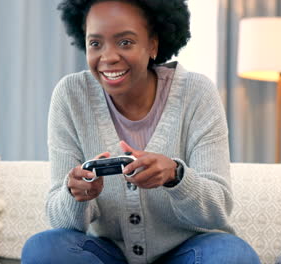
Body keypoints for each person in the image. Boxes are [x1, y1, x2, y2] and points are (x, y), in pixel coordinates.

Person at [21, 0, 261, 263]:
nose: (108, 57)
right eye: (95, 43)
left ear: (153, 44)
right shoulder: (71, 96)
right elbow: (60, 221)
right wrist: (76, 195)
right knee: (43, 248)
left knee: (234, 254)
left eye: (125, 42)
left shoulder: (197, 93)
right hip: (108, 254)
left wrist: (175, 176)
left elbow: (217, 210)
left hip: (189, 251)